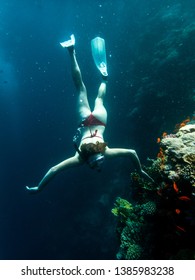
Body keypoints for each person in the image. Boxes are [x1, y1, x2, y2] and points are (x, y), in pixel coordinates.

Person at [26, 35, 153, 193]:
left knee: (99, 98)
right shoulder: (80, 159)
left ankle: (104, 79)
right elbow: (54, 169)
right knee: (80, 87)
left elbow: (131, 152)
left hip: (99, 120)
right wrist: (39, 187)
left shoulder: (104, 152)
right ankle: (71, 51)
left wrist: (139, 170)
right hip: (85, 120)